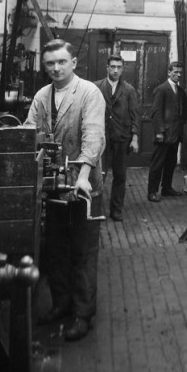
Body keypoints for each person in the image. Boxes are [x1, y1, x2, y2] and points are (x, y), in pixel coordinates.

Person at [25, 39, 105, 342]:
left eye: (61, 62)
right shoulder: (42, 96)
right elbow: (30, 132)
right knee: (56, 251)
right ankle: (61, 304)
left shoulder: (89, 93)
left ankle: (83, 314)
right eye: (50, 63)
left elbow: (93, 138)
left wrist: (83, 176)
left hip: (83, 189)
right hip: (54, 187)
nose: (56, 68)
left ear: (73, 63)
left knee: (83, 253)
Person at [94, 55, 140, 221]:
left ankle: (116, 210)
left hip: (122, 137)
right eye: (112, 66)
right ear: (107, 68)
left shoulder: (129, 90)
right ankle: (95, 209)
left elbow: (135, 115)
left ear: (122, 69)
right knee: (99, 174)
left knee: (120, 175)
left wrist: (134, 138)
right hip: (101, 138)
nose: (115, 70)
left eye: (118, 67)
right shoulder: (96, 87)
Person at [147, 61, 187, 200]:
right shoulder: (161, 89)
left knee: (171, 163)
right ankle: (152, 192)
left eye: (180, 72)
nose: (178, 75)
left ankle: (166, 188)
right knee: (157, 164)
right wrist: (160, 131)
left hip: (175, 134)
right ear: (169, 72)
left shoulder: (180, 91)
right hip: (163, 135)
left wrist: (181, 122)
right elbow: (155, 112)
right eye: (175, 72)